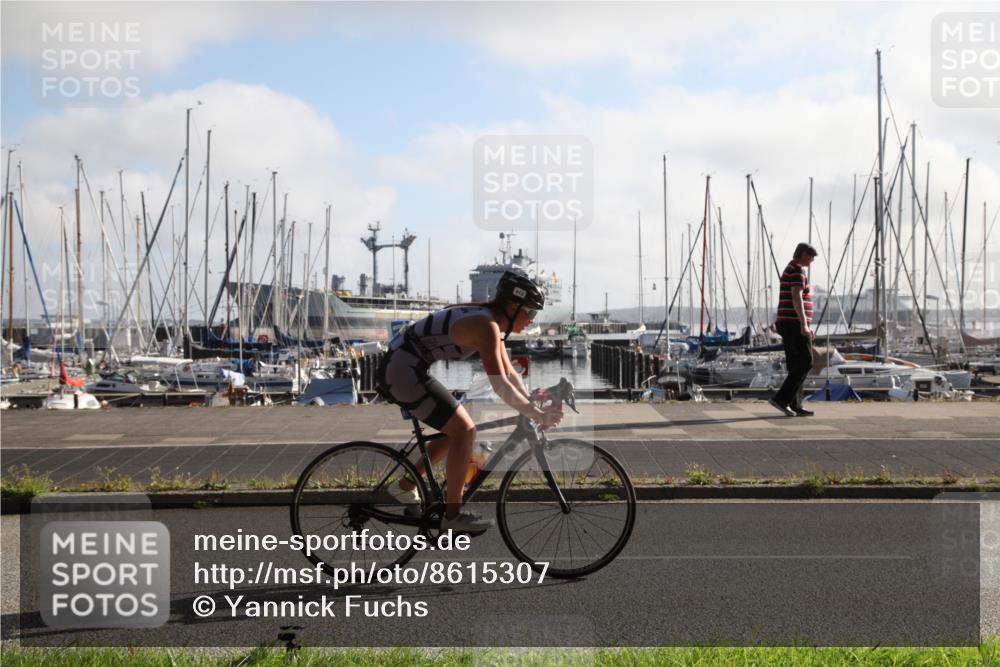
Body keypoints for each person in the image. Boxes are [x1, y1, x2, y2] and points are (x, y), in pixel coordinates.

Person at [376, 270, 564, 534]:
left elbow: (510, 374)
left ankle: (405, 486)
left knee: (454, 431)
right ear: (513, 307)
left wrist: (531, 401)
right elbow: (500, 385)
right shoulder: (486, 326)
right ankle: (452, 516)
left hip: (407, 366)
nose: (532, 320)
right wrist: (535, 412)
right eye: (530, 312)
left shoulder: (492, 324)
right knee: (465, 430)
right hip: (402, 370)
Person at [769, 242, 818, 417]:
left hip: (788, 322)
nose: (812, 260)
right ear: (803, 254)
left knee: (795, 364)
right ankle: (782, 399)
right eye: (811, 256)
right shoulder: (797, 270)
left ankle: (794, 404)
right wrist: (804, 324)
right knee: (806, 361)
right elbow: (797, 296)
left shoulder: (790, 268)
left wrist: (805, 324)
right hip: (794, 323)